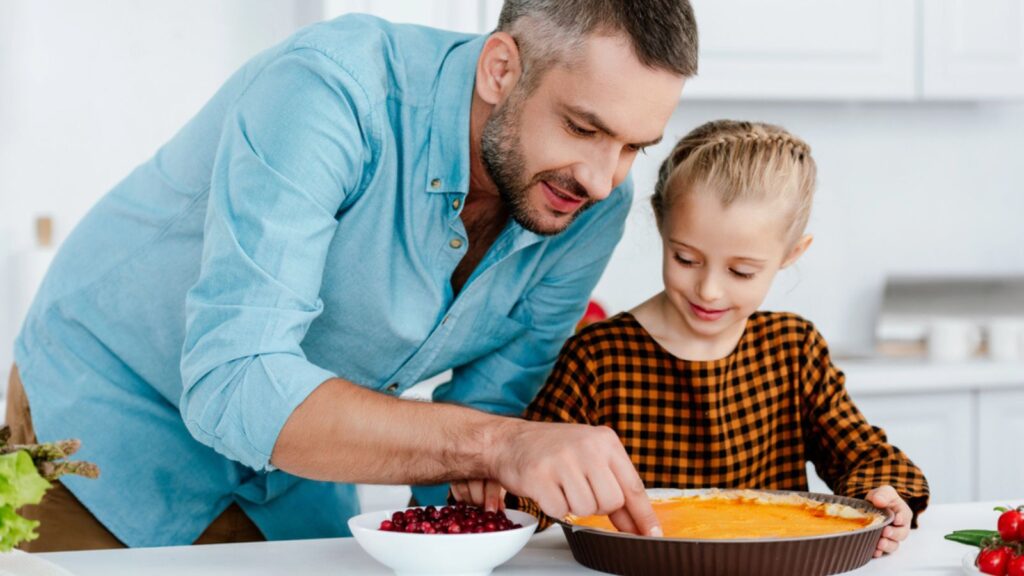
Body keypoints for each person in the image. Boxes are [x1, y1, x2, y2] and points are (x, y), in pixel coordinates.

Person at [6, 0, 699, 550]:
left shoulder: (589, 204)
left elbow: (487, 416)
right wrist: (502, 448)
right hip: (104, 423)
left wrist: (478, 501)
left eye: (634, 146)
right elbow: (234, 382)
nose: (603, 179)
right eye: (583, 128)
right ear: (501, 69)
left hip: (294, 472)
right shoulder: (330, 90)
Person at [455, 120, 930, 557]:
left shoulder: (794, 349)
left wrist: (884, 494)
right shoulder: (598, 355)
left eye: (742, 271)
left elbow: (864, 454)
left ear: (791, 254)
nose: (709, 289)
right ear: (662, 226)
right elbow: (536, 477)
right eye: (686, 259)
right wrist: (499, 492)